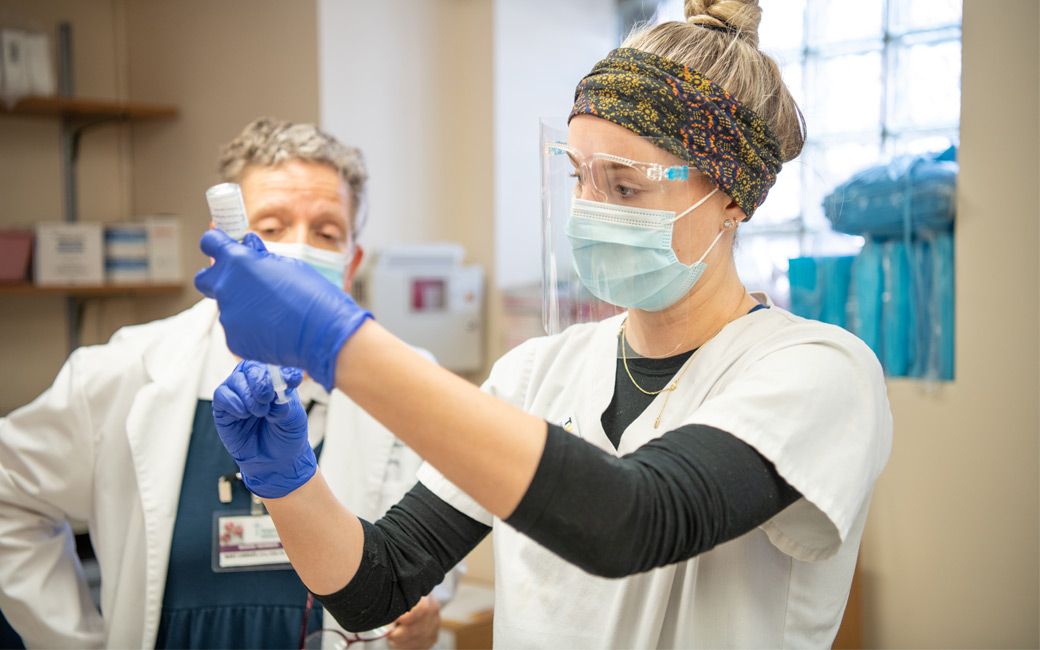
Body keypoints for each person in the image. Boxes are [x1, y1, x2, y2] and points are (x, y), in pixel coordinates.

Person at [195, 2, 893, 647]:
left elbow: (631, 521)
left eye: (624, 186)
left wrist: (338, 340)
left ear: (731, 197)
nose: (589, 209)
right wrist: (287, 481)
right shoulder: (536, 373)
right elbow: (376, 585)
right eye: (578, 178)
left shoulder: (820, 370)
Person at [0, 117, 455, 649]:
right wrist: (74, 642)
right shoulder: (123, 371)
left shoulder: (409, 379)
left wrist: (428, 609)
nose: (298, 251)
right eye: (272, 225)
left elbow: (446, 525)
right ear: (222, 247)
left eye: (327, 232)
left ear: (350, 261)